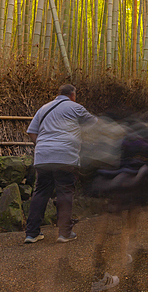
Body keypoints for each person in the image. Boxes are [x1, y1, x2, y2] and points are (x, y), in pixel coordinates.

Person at [23, 84, 95, 248]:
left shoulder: (43, 108)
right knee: (64, 191)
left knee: (41, 192)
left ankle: (32, 233)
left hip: (43, 156)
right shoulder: (76, 107)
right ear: (73, 95)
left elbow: (31, 131)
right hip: (65, 155)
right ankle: (64, 233)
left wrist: (43, 146)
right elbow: (95, 124)